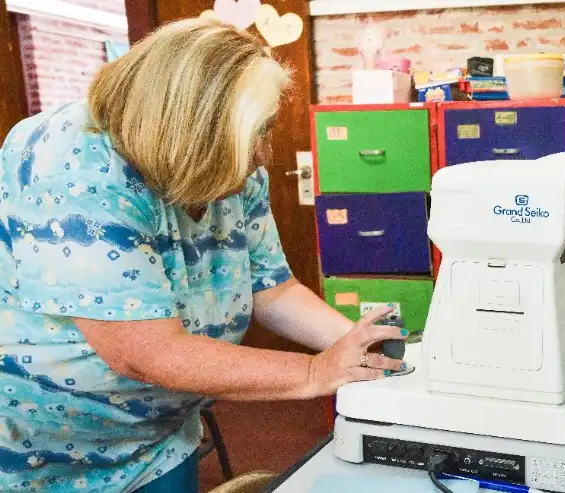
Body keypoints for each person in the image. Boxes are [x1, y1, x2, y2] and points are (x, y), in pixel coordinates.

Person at [0, 18, 407, 492]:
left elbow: (273, 289)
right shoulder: (76, 170)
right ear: (191, 134)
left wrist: (364, 348)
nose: (265, 155)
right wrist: (316, 371)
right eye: (258, 134)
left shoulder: (234, 167)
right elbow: (146, 352)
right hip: (41, 445)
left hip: (160, 433)